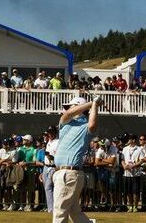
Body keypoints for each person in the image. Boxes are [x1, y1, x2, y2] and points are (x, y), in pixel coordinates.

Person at [52, 95, 103, 223]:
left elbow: (92, 125)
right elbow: (68, 114)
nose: (67, 109)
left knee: (60, 210)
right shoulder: (65, 122)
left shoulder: (86, 125)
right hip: (63, 173)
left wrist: (94, 105)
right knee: (74, 212)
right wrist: (92, 103)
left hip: (69, 173)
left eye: (71, 106)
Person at [121, 134, 144, 213]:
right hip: (126, 174)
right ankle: (130, 206)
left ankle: (135, 206)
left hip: (136, 174)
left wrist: (134, 165)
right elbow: (122, 159)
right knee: (128, 191)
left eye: (130, 139)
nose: (128, 140)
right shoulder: (125, 149)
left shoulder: (139, 149)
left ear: (133, 140)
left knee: (135, 191)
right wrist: (124, 166)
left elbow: (141, 160)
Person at [0, 138, 18, 211]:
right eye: (3, 143)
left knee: (11, 188)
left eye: (6, 144)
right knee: (4, 188)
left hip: (11, 171)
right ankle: (6, 204)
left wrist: (3, 161)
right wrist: (5, 161)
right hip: (3, 172)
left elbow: (13, 162)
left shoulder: (14, 151)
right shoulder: (1, 150)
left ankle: (13, 204)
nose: (4, 145)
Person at [43, 126, 59, 213]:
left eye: (51, 132)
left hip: (53, 166)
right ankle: (50, 207)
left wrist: (52, 157)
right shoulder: (48, 141)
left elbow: (58, 155)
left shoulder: (58, 142)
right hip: (46, 166)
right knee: (47, 188)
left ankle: (52, 209)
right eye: (48, 132)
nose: (49, 134)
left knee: (48, 187)